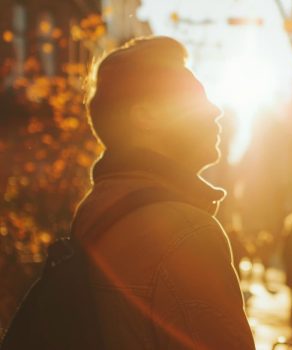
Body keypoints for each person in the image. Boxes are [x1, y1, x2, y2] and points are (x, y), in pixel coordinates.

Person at [73, 36, 255, 349]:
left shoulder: (96, 209)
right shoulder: (185, 229)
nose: (214, 110)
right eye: (192, 98)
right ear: (145, 116)